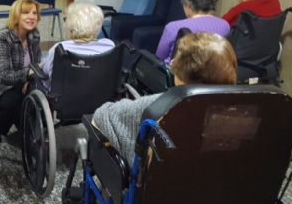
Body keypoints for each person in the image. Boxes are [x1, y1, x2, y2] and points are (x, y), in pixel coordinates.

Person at [93, 32, 237, 163]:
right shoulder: (243, 115)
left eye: (178, 58)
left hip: (161, 186)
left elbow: (102, 116)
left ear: (188, 73)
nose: (172, 63)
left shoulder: (161, 105)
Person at [0, 0, 42, 142]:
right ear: (16, 16)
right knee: (14, 100)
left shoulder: (34, 35)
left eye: (34, 13)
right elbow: (5, 75)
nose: (32, 17)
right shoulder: (3, 37)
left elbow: (36, 62)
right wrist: (27, 75)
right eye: (26, 13)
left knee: (34, 95)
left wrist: (28, 80)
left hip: (17, 83)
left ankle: (23, 125)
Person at [155, 0, 230, 62]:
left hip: (176, 74)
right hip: (212, 74)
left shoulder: (173, 28)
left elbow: (159, 58)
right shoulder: (225, 26)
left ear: (188, 4)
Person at [42, 1, 115, 86]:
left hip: (65, 97)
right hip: (102, 95)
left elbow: (46, 76)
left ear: (71, 28)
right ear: (98, 25)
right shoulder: (109, 45)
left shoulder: (59, 49)